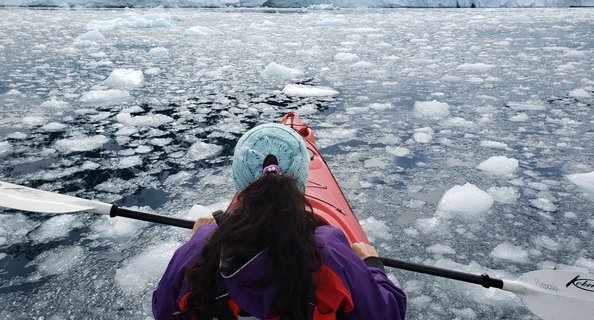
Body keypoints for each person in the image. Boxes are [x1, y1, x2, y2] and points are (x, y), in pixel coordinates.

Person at [152, 123, 407, 320]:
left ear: (240, 181)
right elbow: (389, 312)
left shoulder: (198, 250)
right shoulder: (329, 251)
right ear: (300, 179)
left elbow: (162, 309)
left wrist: (196, 241)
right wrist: (372, 264)